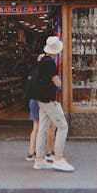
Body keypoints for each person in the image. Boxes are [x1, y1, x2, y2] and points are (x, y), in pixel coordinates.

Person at [33, 36, 75, 172]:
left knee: (43, 128)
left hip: (41, 99)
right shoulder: (50, 62)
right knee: (63, 126)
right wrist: (61, 83)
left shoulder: (41, 59)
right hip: (49, 100)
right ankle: (58, 158)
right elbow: (56, 81)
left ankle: (39, 159)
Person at [26, 53, 56, 162]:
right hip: (44, 101)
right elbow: (55, 87)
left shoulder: (33, 72)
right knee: (51, 127)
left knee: (36, 127)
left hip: (33, 101)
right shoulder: (47, 73)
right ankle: (49, 151)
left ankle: (31, 152)